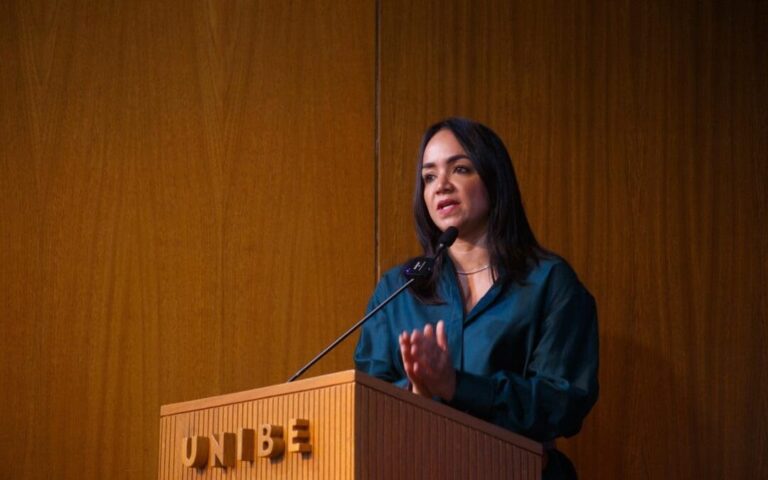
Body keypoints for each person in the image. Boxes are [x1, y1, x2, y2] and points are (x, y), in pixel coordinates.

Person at [354, 117, 599, 479]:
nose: (442, 187)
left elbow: (562, 403)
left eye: (461, 169)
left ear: (493, 178)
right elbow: (367, 403)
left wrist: (457, 386)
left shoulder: (549, 282)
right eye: (429, 176)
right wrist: (416, 391)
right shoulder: (397, 290)